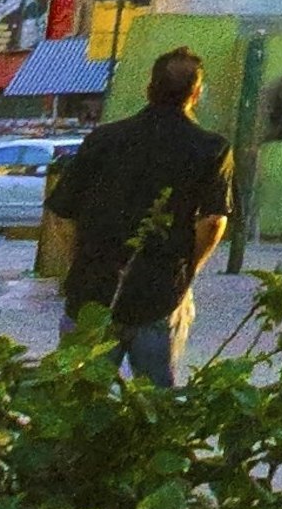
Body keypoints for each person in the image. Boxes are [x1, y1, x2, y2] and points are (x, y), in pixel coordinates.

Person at [51, 47, 230, 388]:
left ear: (149, 89)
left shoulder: (103, 139)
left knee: (77, 400)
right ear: (196, 94)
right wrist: (187, 270)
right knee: (157, 400)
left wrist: (80, 262)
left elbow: (62, 215)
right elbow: (212, 221)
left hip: (91, 293)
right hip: (159, 294)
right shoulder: (211, 148)